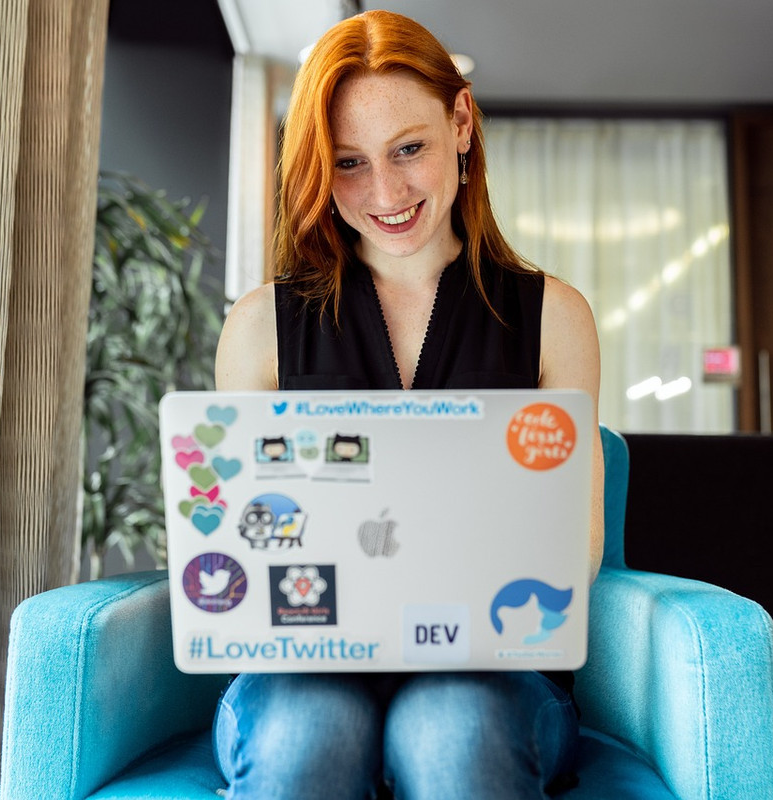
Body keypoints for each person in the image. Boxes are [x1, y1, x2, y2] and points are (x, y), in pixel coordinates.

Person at [213, 9, 604, 799]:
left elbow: (575, 539)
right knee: (304, 736)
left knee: (451, 730)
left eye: (409, 150)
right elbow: (245, 539)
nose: (383, 193)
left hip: (493, 665)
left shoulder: (552, 317)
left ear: (461, 122)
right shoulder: (261, 327)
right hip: (306, 666)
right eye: (349, 163)